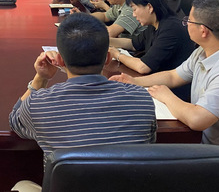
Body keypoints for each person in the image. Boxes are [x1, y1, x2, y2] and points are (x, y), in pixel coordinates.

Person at [110, 0, 219, 189]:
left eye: (189, 20)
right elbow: (173, 76)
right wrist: (135, 82)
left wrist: (166, 96)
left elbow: (197, 119)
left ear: (203, 30)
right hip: (213, 153)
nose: (186, 23)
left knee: (153, 176)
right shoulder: (204, 51)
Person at [9, 13, 156, 167]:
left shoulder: (38, 105)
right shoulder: (142, 99)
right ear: (107, 58)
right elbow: (148, 145)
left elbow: (14, 121)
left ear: (60, 61)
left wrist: (41, 77)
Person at [109, 0, 194, 102]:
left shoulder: (171, 28)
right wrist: (106, 41)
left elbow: (143, 67)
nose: (133, 14)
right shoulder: (154, 24)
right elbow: (133, 43)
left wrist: (117, 55)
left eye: (134, 9)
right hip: (155, 83)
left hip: (172, 93)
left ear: (149, 7)